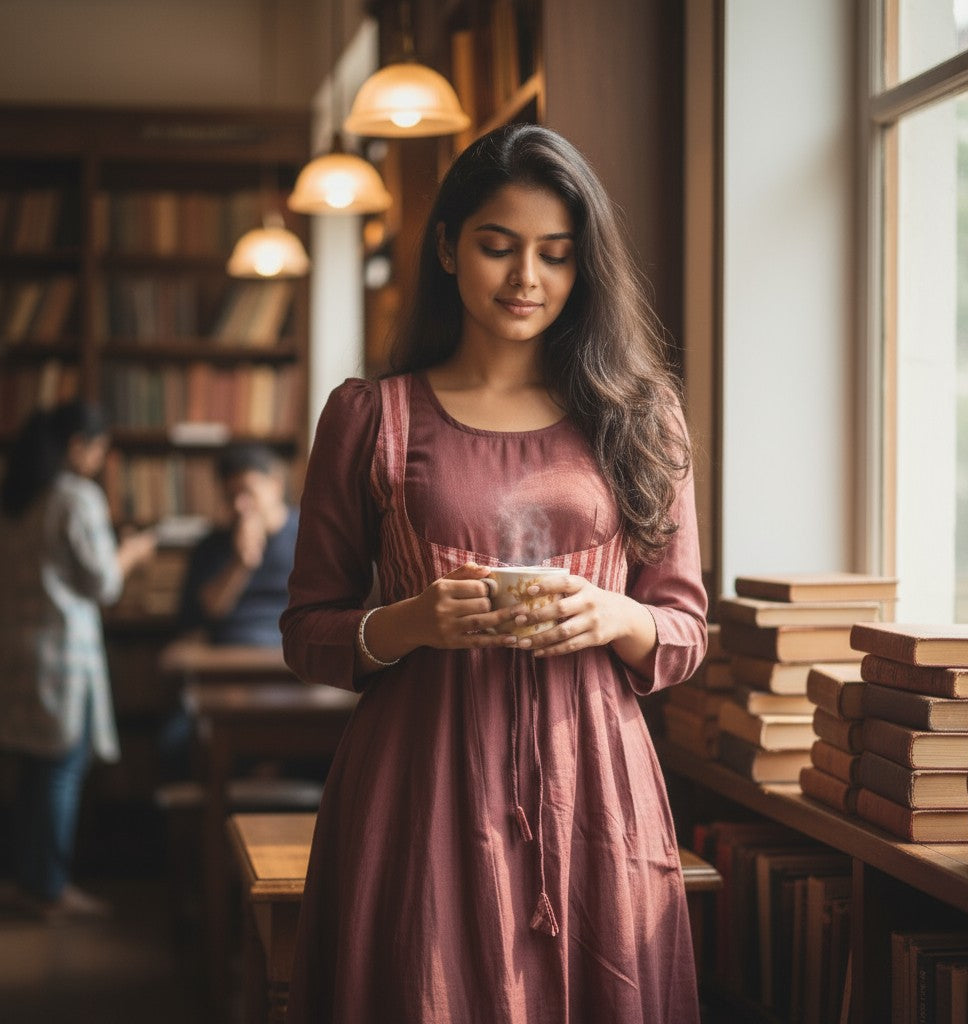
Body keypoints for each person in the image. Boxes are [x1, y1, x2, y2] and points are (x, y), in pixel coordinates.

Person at [281, 123, 709, 1023]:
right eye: (497, 246)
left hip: (593, 783)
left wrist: (612, 615)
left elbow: (682, 629)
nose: (526, 279)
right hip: (419, 783)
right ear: (446, 247)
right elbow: (308, 629)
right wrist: (412, 622)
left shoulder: (641, 416)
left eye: (556, 255)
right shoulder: (370, 417)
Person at [0, 400, 155, 918]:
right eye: (99, 448)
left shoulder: (17, 497)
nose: (101, 459)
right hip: (62, 656)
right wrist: (131, 553)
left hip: (17, 653)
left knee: (32, 770)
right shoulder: (75, 497)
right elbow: (102, 582)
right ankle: (50, 889)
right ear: (77, 445)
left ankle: (27, 881)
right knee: (62, 769)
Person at [177, 442, 298, 647]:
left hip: (292, 653)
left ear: (276, 485)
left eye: (247, 492)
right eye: (230, 496)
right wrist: (241, 563)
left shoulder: (310, 536)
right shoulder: (210, 546)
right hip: (230, 651)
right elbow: (205, 613)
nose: (239, 506)